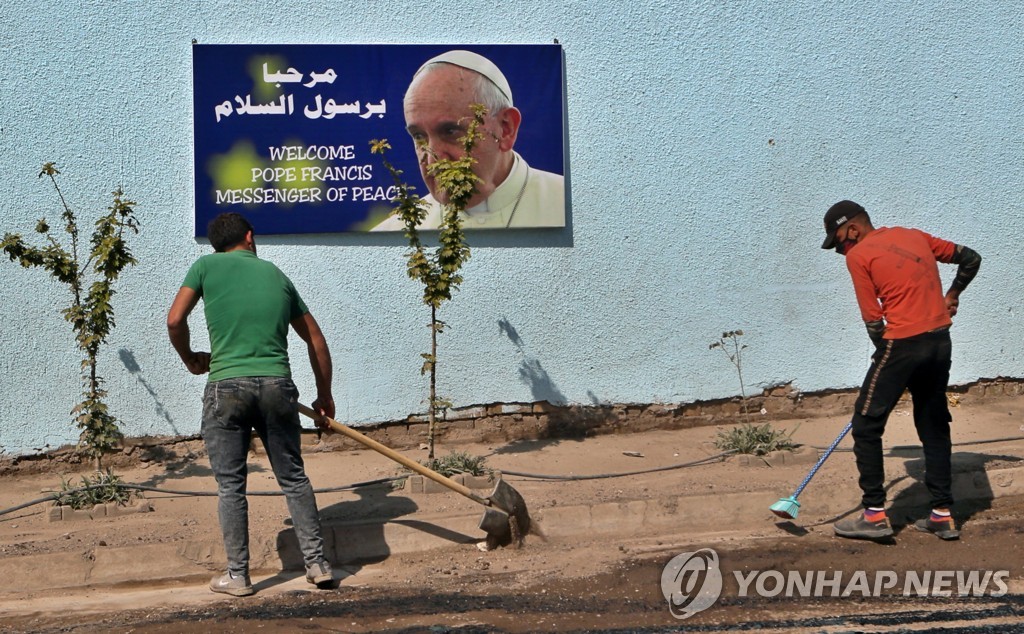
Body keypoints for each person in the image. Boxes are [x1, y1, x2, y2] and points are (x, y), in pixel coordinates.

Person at [167, 212, 336, 596]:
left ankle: (238, 576)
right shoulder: (276, 275)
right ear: (249, 236)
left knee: (231, 486)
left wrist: (191, 358)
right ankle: (318, 564)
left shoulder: (205, 267)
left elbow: (175, 320)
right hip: (278, 386)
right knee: (293, 478)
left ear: (217, 244)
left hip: (226, 387)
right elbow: (317, 341)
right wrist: (324, 396)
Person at [821, 200, 981, 542]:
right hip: (940, 340)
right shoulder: (914, 236)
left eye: (840, 242)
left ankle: (875, 515)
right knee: (932, 422)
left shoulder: (858, 255)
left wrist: (887, 358)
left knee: (866, 425)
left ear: (853, 229)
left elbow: (873, 321)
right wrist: (952, 294)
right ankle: (942, 515)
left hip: (902, 344)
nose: (842, 250)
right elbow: (971, 258)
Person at [371, 49, 565, 231]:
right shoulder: (392, 233)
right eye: (419, 136)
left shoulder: (571, 206)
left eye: (450, 131)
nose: (432, 161)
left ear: (506, 129)